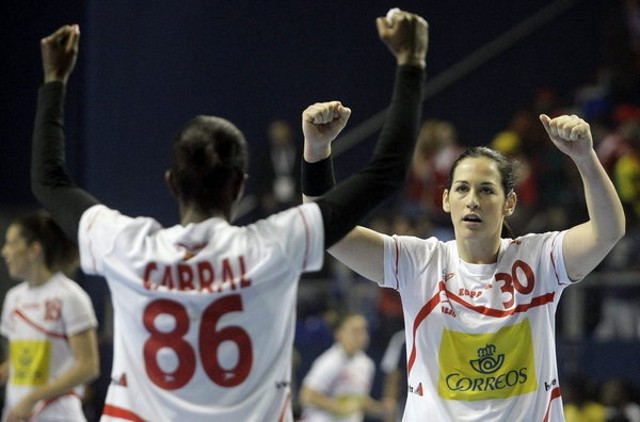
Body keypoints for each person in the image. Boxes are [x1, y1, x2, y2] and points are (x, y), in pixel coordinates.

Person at [30, 9, 428, 421]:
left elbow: (49, 182)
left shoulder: (126, 245)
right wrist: (410, 62)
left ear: (171, 182)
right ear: (240, 186)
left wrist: (54, 80)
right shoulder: (275, 244)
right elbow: (386, 172)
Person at [302, 107, 625, 418]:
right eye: (462, 189)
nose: (472, 200)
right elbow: (328, 230)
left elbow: (607, 231)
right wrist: (317, 150)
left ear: (509, 203)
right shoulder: (421, 263)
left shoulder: (539, 259)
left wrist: (585, 158)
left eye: (486, 190)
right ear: (446, 200)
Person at [0, 210, 99, 421]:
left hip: (57, 414)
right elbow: (21, 361)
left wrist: (33, 398)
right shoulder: (13, 299)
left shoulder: (70, 296)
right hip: (17, 412)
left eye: (10, 243)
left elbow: (89, 366)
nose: (4, 251)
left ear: (34, 250)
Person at [299, 313, 392, 421]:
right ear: (339, 334)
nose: (362, 336)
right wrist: (338, 407)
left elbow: (360, 400)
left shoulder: (366, 364)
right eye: (355, 331)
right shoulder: (329, 361)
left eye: (364, 330)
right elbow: (306, 395)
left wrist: (381, 408)